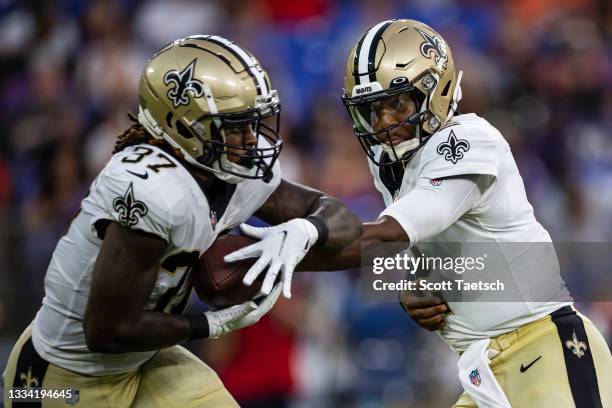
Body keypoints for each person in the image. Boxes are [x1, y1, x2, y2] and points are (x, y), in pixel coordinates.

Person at [2, 35, 361, 408]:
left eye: (255, 121)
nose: (252, 140)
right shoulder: (152, 191)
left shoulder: (234, 172)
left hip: (146, 358)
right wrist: (210, 324)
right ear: (184, 126)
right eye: (236, 125)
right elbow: (107, 332)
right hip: (64, 375)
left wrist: (308, 230)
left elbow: (338, 221)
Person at [286, 19, 611, 407]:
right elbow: (428, 256)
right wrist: (411, 284)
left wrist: (297, 242)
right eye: (372, 109)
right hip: (483, 371)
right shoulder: (393, 165)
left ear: (434, 92)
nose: (384, 122)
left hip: (543, 349)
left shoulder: (469, 138)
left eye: (396, 103)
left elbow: (394, 231)